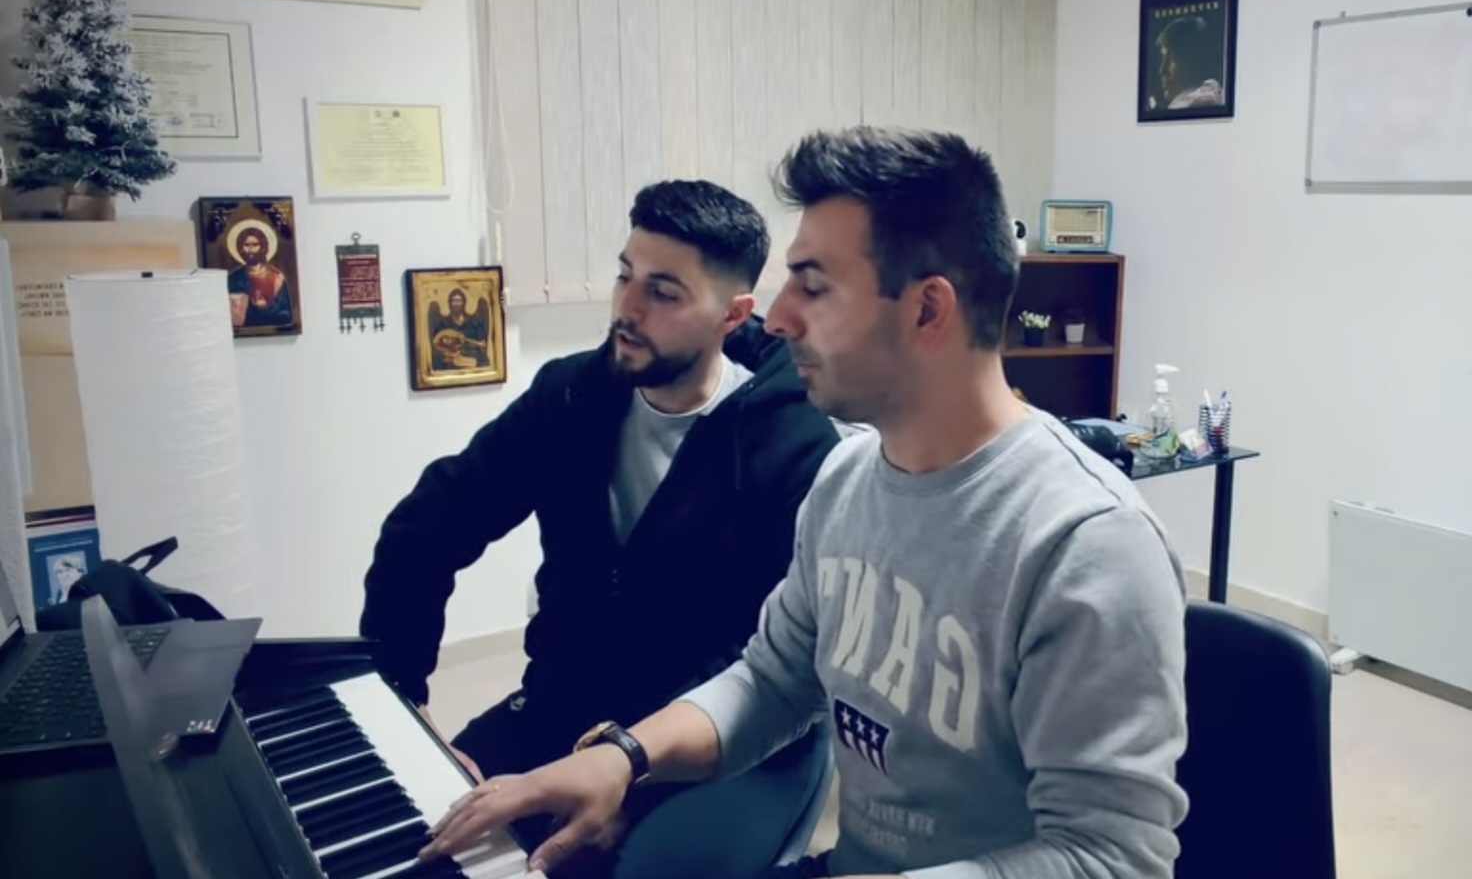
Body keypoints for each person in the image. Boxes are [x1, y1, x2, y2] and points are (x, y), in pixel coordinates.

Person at [421, 127, 1189, 879]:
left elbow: (1112, 857)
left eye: (813, 286)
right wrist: (623, 757)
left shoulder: (1086, 543)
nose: (777, 318)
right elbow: (772, 680)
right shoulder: (847, 479)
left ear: (927, 310)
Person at [359, 179, 843, 871]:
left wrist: (630, 782)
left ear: (733, 316)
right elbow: (426, 530)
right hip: (563, 709)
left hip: (718, 740)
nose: (627, 308)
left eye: (663, 293)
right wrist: (406, 702)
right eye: (624, 277)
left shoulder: (791, 443)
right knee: (414, 834)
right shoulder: (569, 397)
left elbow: (763, 662)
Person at [227, 225, 294, 327]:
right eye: (246, 245)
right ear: (240, 248)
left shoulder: (276, 277)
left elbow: (285, 314)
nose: (250, 249)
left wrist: (263, 309)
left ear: (263, 247)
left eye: (255, 245)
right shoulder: (233, 278)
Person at [1156, 14, 1225, 109]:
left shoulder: (1191, 103)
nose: (1162, 70)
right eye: (1163, 59)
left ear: (1196, 61)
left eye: (1172, 58)